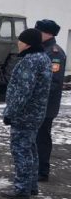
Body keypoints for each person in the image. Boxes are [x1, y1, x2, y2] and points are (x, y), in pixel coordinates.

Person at [1, 28, 52, 199]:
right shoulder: (43, 58)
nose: (18, 43)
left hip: (24, 114)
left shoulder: (29, 61)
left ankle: (22, 189)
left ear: (28, 43)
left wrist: (10, 112)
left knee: (21, 150)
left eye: (21, 40)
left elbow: (22, 92)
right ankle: (31, 186)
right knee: (31, 149)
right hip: (36, 113)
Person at [34, 19, 66, 182]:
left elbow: (53, 82)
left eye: (39, 31)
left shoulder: (54, 53)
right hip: (40, 104)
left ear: (48, 33)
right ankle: (36, 168)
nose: (36, 33)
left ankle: (42, 171)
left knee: (42, 137)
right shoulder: (42, 50)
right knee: (36, 137)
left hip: (46, 105)